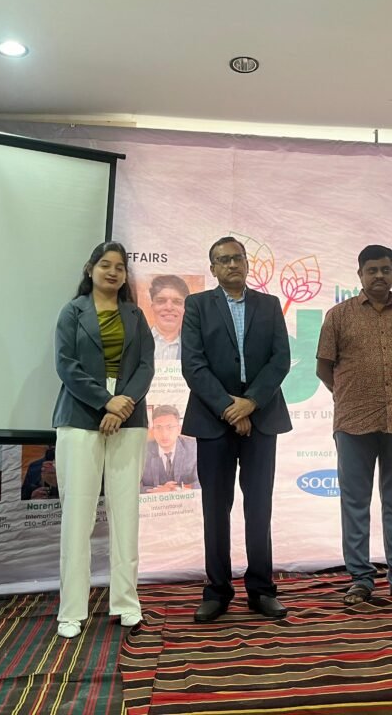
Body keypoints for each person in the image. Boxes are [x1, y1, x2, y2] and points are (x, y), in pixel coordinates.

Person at [316, 245, 392, 605]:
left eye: (386, 269)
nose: (379, 276)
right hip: (353, 421)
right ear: (360, 274)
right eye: (372, 270)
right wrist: (350, 395)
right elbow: (323, 368)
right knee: (355, 504)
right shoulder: (338, 316)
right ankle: (361, 579)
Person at [181, 236, 292, 623]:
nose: (232, 264)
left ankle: (261, 590)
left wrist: (252, 402)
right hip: (213, 419)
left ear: (247, 263)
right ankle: (217, 591)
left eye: (237, 258)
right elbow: (193, 365)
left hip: (262, 417)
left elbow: (280, 360)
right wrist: (230, 408)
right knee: (216, 509)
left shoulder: (269, 305)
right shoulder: (197, 305)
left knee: (259, 508)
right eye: (223, 260)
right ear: (212, 268)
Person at [52, 241, 155, 639]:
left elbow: (145, 365)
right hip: (80, 416)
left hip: (129, 417)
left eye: (120, 267)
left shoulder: (135, 315)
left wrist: (122, 405)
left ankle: (127, 603)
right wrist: (105, 401)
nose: (113, 272)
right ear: (90, 268)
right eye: (105, 265)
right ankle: (71, 611)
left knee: (125, 513)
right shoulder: (72, 311)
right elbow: (66, 365)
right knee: (77, 515)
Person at [141, 405, 199, 492]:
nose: (164, 434)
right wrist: (155, 491)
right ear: (153, 430)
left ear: (179, 429)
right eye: (158, 427)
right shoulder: (142, 451)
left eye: (170, 427)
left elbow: (204, 480)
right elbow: (133, 485)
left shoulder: (194, 447)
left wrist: (178, 489)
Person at [149, 275, 190, 360]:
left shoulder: (195, 344)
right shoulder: (137, 341)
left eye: (177, 302)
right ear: (153, 306)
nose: (169, 307)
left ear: (185, 308)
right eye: (161, 301)